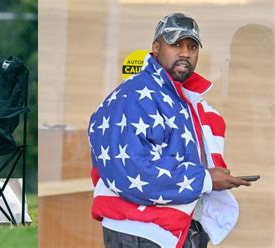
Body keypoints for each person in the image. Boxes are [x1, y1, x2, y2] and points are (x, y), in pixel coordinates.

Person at [88, 13, 251, 248]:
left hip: (174, 229)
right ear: (156, 48)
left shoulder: (180, 98)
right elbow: (133, 171)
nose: (185, 52)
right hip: (140, 233)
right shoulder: (135, 95)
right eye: (175, 44)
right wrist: (205, 180)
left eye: (192, 46)